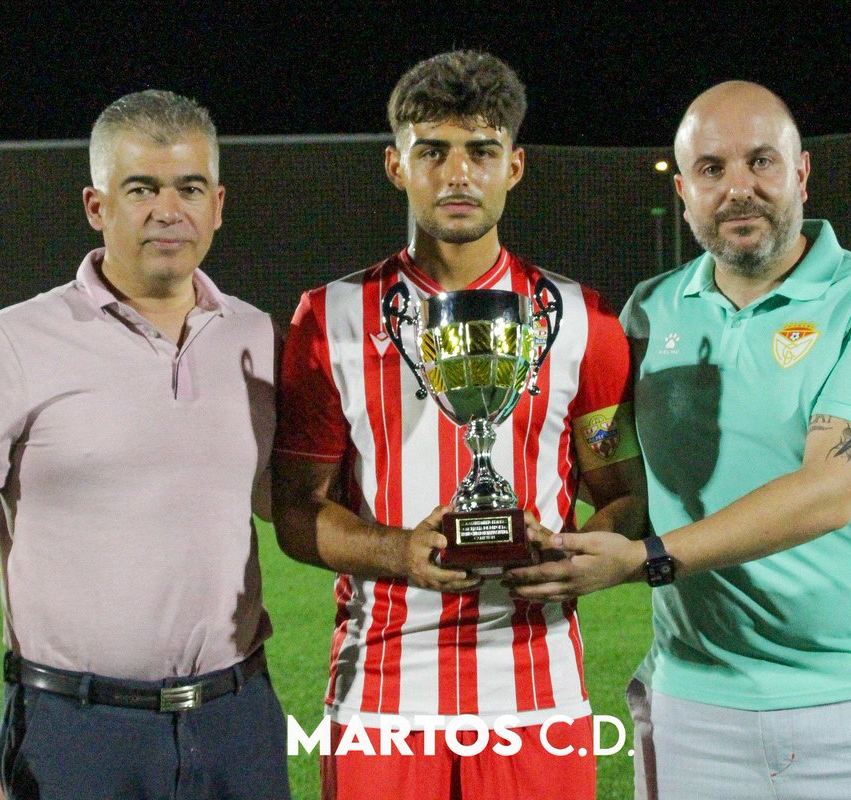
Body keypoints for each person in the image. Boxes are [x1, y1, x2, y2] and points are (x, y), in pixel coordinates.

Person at [507, 81, 851, 799]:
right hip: (698, 704)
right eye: (713, 170)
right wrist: (553, 535)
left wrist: (642, 562)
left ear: (802, 173)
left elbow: (830, 492)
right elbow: (622, 473)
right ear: (684, 187)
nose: (739, 189)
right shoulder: (648, 311)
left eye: (762, 162)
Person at [271, 50, 642, 800]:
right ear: (396, 167)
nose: (458, 173)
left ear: (515, 166)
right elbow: (293, 512)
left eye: (481, 150)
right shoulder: (329, 320)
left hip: (537, 695)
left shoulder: (585, 322)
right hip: (382, 696)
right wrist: (399, 551)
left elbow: (627, 496)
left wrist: (571, 554)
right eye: (432, 152)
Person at [0, 90, 289, 800]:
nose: (167, 210)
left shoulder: (260, 339)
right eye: (141, 188)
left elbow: (287, 505)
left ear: (218, 205)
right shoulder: (13, 341)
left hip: (237, 721)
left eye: (189, 188)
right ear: (97, 205)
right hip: (73, 732)